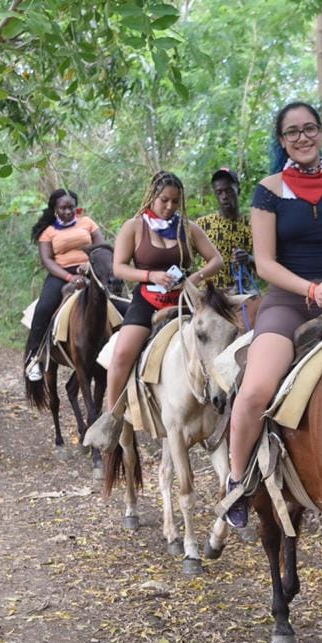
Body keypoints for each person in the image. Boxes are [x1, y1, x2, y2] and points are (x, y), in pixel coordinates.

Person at [223, 101, 322, 527]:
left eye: (309, 128)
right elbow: (265, 262)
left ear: (321, 131)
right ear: (282, 141)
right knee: (256, 389)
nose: (302, 138)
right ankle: (237, 482)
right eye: (292, 132)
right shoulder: (269, 190)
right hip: (288, 300)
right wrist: (310, 289)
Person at [83, 171, 222, 450]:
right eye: (164, 200)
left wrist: (194, 278)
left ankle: (220, 409)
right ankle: (112, 418)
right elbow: (119, 267)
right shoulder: (134, 227)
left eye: (175, 201)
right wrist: (151, 276)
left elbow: (216, 259)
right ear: (152, 197)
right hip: (147, 300)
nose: (170, 206)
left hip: (184, 299)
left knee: (219, 338)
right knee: (122, 353)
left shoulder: (188, 228)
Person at [25, 189, 103, 382]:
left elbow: (101, 246)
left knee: (118, 300)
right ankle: (35, 358)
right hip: (61, 274)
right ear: (55, 209)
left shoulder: (88, 222)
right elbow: (48, 261)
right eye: (63, 208)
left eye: (71, 207)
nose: (68, 211)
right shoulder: (48, 232)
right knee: (43, 308)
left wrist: (91, 262)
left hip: (90, 269)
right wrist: (69, 278)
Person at [195, 167, 257, 293]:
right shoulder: (203, 224)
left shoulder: (252, 225)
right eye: (219, 192)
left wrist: (248, 259)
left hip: (241, 292)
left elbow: (265, 263)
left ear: (238, 190)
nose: (224, 196)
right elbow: (187, 258)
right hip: (210, 293)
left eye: (228, 191)